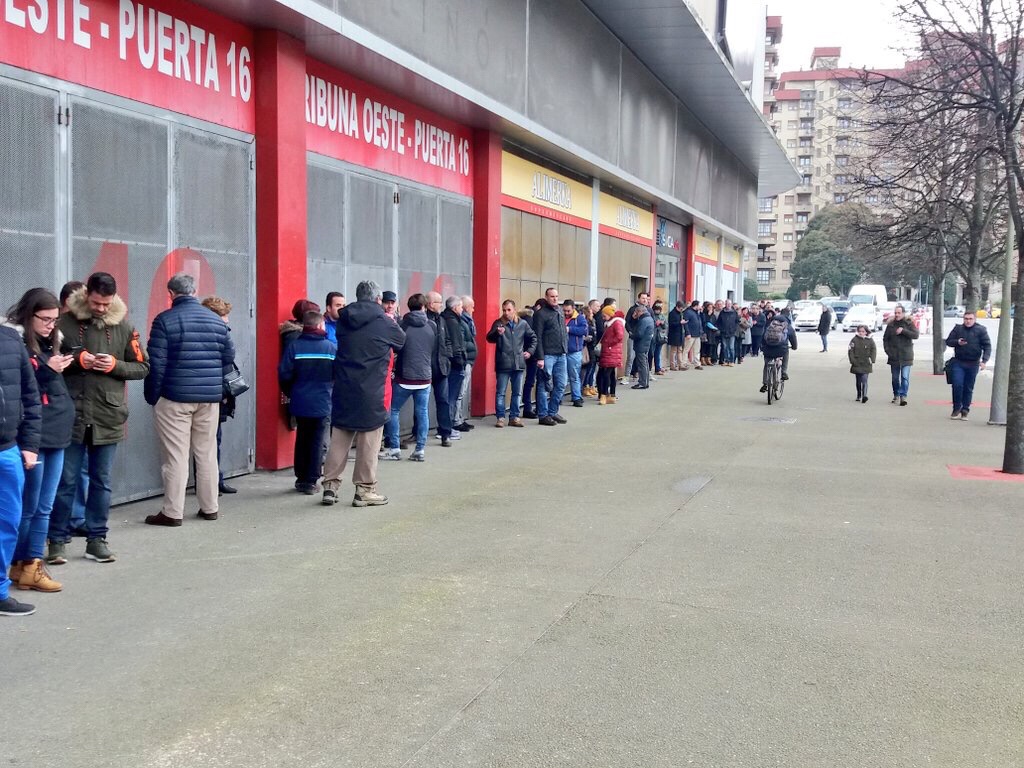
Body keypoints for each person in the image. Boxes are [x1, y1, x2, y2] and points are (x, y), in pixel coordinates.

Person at [48, 273, 149, 564]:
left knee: (101, 482)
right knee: (65, 481)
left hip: (108, 414)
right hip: (71, 414)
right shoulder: (64, 323)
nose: (101, 308)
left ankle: (97, 539)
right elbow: (46, 360)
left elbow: (142, 367)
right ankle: (57, 541)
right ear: (86, 295)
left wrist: (115, 365)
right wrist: (79, 360)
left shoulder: (125, 326)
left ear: (113, 299)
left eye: (106, 304)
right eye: (95, 302)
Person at [143, 273, 235, 527]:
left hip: (175, 398)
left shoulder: (165, 320)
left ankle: (173, 512)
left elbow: (156, 364)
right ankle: (210, 507)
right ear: (195, 292)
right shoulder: (216, 321)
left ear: (171, 294)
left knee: (176, 456)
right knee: (206, 454)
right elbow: (228, 356)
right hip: (209, 398)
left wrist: (152, 395)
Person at [5, 289, 71, 594]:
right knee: (29, 507)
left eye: (54, 320)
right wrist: (47, 370)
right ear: (29, 315)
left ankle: (27, 565)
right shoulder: (16, 343)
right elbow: (25, 391)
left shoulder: (51, 341)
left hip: (56, 430)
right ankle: (25, 563)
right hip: (34, 434)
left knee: (43, 505)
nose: (50, 325)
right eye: (45, 319)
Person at [321, 281, 405, 507]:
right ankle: (364, 489)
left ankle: (330, 485)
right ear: (378, 299)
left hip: (344, 386)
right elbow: (401, 341)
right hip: (372, 388)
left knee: (339, 437)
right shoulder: (383, 321)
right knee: (369, 440)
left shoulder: (343, 319)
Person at [0, 321, 40, 616]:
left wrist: (29, 445)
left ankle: (0, 593)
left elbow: (30, 395)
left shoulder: (11, 340)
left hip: (8, 449)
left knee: (8, 524)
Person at [278, 309, 336, 492]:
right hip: (323, 401)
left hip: (300, 400)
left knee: (302, 438)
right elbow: (339, 374)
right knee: (317, 441)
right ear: (320, 325)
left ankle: (301, 478)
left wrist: (292, 392)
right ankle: (311, 480)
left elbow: (284, 374)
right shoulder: (330, 348)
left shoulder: (295, 346)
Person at [384, 294, 435, 460]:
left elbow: (396, 347)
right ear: (424, 306)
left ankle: (394, 448)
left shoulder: (402, 325)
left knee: (393, 410)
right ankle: (420, 450)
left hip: (404, 376)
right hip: (425, 376)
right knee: (422, 413)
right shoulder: (432, 325)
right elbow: (433, 348)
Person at [59, 281, 89, 535]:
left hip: (90, 410)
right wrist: (78, 360)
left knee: (84, 469)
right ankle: (60, 523)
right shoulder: (57, 330)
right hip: (63, 408)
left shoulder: (93, 328)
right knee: (67, 473)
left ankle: (78, 517)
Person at [201, 296, 238, 495]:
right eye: (224, 315)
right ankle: (210, 482)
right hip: (213, 392)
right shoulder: (216, 334)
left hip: (217, 391)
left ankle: (215, 479)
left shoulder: (218, 332)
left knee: (214, 439)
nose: (227, 319)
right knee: (209, 440)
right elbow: (225, 361)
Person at [486, 299, 537, 427]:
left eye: (509, 310)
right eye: (504, 310)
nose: (506, 313)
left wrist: (529, 351)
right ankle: (501, 417)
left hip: (518, 362)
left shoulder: (522, 324)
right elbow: (489, 338)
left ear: (514, 310)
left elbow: (533, 338)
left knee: (517, 392)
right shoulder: (499, 323)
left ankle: (514, 417)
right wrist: (497, 333)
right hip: (503, 362)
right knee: (501, 392)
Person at [945, 310, 992, 420]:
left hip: (973, 363)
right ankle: (956, 408)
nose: (968, 321)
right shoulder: (958, 329)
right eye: (966, 319)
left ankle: (965, 410)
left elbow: (987, 346)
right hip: (959, 362)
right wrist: (957, 342)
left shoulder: (981, 330)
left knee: (968, 387)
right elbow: (948, 341)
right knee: (957, 384)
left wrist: (984, 361)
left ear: (974, 319)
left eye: (970, 319)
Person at [532, 287, 569, 425]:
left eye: (556, 296)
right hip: (547, 355)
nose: (555, 299)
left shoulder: (559, 311)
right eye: (552, 296)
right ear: (546, 297)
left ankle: (553, 411)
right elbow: (538, 337)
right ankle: (543, 415)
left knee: (561, 384)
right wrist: (540, 357)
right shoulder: (540, 314)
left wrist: (565, 347)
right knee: (543, 384)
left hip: (561, 354)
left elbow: (563, 332)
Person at [425, 292, 454, 446]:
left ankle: (445, 433)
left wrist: (447, 356)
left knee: (443, 401)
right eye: (439, 302)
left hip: (441, 368)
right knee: (421, 403)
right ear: (430, 304)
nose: (441, 305)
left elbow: (448, 341)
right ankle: (418, 432)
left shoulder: (441, 320)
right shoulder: (423, 320)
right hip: (425, 368)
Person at [441, 296, 470, 438]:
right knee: (451, 398)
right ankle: (448, 428)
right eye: (460, 306)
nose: (462, 309)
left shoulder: (445, 318)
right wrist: (460, 362)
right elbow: (457, 344)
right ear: (454, 308)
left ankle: (446, 428)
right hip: (454, 365)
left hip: (449, 363)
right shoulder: (452, 321)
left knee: (448, 398)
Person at [882, 304, 919, 406]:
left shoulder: (909, 323)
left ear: (903, 313)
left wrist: (904, 331)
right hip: (894, 356)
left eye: (899, 313)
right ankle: (896, 394)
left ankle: (903, 396)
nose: (897, 315)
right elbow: (885, 339)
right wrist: (888, 351)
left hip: (906, 355)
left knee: (904, 377)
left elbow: (916, 335)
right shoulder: (891, 325)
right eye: (895, 313)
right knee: (895, 378)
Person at [453, 294, 477, 431]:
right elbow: (462, 342)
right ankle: (456, 420)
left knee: (462, 392)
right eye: (472, 307)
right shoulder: (462, 322)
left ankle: (460, 418)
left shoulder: (467, 321)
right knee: (459, 392)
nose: (473, 310)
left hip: (468, 360)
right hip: (465, 361)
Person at [760, 311, 797, 392]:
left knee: (766, 365)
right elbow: (793, 338)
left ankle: (765, 384)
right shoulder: (787, 326)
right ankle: (784, 372)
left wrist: (762, 347)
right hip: (781, 349)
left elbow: (763, 336)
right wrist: (794, 347)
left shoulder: (770, 324)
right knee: (786, 352)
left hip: (768, 349)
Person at [597, 308, 625, 404]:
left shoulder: (616, 323)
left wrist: (608, 343)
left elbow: (619, 336)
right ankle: (612, 395)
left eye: (604, 315)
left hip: (611, 351)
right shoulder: (612, 323)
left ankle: (604, 395)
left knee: (606, 374)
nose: (603, 317)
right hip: (611, 351)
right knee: (611, 373)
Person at [521, 299, 544, 419]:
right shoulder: (532, 319)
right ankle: (530, 408)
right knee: (532, 381)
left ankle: (528, 407)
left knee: (530, 381)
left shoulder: (526, 318)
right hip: (533, 354)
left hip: (529, 353)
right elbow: (534, 338)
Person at [564, 299, 589, 406]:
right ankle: (558, 397)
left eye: (568, 311)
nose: (566, 313)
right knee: (561, 377)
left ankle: (576, 397)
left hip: (574, 351)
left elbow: (584, 331)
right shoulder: (561, 317)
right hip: (562, 351)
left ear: (573, 309)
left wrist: (569, 329)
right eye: (564, 310)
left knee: (574, 376)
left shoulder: (579, 318)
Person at [627, 292, 654, 388]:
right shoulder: (648, 318)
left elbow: (639, 334)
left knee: (642, 364)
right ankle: (644, 382)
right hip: (645, 344)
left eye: (636, 313)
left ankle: (643, 382)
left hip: (641, 345)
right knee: (644, 363)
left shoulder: (643, 320)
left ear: (640, 312)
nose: (635, 314)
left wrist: (632, 335)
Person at [848, 325, 877, 403]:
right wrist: (853, 361)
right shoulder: (854, 340)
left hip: (866, 363)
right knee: (858, 381)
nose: (861, 333)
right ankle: (859, 394)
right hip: (857, 363)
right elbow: (850, 351)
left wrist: (872, 359)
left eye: (863, 331)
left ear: (866, 332)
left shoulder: (870, 340)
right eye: (860, 331)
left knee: (864, 380)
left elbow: (873, 350)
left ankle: (864, 395)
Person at [581, 301, 599, 397]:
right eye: (591, 312)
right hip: (588, 347)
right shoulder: (586, 323)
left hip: (593, 346)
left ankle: (590, 385)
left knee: (592, 367)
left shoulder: (593, 322)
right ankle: (586, 386)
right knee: (588, 368)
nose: (592, 314)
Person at [682, 300, 702, 370]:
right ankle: (683, 363)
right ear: (696, 306)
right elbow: (685, 323)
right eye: (699, 305)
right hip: (690, 334)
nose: (700, 307)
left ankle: (697, 363)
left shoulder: (697, 313)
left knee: (697, 350)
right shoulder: (688, 312)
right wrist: (688, 333)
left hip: (697, 334)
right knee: (686, 349)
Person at [717, 300, 738, 366]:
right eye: (726, 303)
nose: (728, 305)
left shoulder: (734, 312)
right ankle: (726, 360)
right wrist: (721, 329)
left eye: (729, 304)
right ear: (725, 304)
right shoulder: (722, 312)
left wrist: (734, 329)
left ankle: (732, 361)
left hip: (732, 332)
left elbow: (737, 321)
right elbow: (719, 322)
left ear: (731, 304)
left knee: (731, 347)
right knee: (725, 347)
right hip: (724, 332)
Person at [651, 299, 668, 375]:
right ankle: (649, 369)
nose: (658, 311)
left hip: (660, 337)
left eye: (659, 310)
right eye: (656, 310)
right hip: (652, 337)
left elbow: (666, 326)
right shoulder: (651, 315)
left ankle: (658, 368)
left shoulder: (662, 316)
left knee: (658, 354)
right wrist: (655, 323)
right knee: (651, 354)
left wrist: (662, 323)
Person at [667, 300, 685, 371]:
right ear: (677, 307)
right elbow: (671, 324)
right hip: (674, 334)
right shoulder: (672, 313)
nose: (682, 310)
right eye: (681, 308)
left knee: (680, 350)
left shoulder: (680, 313)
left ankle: (681, 364)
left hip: (680, 334)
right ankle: (672, 365)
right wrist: (679, 323)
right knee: (673, 350)